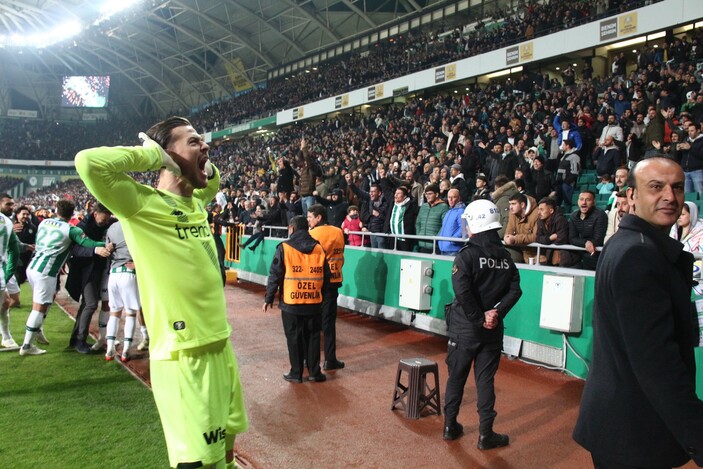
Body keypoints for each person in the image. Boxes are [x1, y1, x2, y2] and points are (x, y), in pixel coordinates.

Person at [75, 116, 248, 468]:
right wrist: (152, 157)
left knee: (227, 452)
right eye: (194, 141)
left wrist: (194, 160)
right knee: (198, 462)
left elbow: (211, 178)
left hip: (220, 345)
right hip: (184, 356)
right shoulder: (140, 204)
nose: (205, 147)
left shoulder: (197, 202)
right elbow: (88, 163)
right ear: (167, 153)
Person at [573, 157, 703, 468]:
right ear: (631, 196)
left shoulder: (627, 243)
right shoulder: (639, 254)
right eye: (656, 187)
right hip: (634, 431)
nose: (670, 197)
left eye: (677, 188)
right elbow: (658, 363)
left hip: (623, 424)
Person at [443, 199, 522, 448]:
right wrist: (495, 313)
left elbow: (463, 292)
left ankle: (450, 426)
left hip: (465, 328)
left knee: (456, 378)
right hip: (491, 331)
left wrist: (479, 317)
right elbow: (515, 290)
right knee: (485, 381)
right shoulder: (505, 257)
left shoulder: (466, 255)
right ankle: (486, 434)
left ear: (474, 223)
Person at [20, 199, 106, 356]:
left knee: (44, 303)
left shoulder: (44, 223)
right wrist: (103, 244)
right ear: (72, 213)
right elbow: (87, 242)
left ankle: (37, 330)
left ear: (56, 209)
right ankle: (27, 345)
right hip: (46, 272)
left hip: (32, 267)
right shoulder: (71, 229)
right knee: (38, 309)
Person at [263, 215, 331, 383]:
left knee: (294, 338)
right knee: (314, 337)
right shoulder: (318, 248)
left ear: (291, 229)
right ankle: (315, 372)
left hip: (291, 303)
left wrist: (269, 297)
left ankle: (296, 372)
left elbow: (275, 274)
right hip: (314, 302)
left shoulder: (284, 248)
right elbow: (327, 277)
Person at [65, 203, 114, 353]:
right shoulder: (82, 226)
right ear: (95, 214)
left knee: (87, 304)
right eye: (102, 221)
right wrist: (95, 250)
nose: (105, 224)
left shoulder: (111, 222)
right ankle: (80, 340)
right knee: (91, 304)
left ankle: (76, 339)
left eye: (107, 221)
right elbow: (75, 248)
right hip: (85, 270)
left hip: (99, 269)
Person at [307, 204, 346, 371]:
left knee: (312, 324)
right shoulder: (338, 231)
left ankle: (310, 361)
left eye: (310, 217)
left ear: (319, 217)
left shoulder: (312, 234)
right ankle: (330, 360)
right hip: (334, 281)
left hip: (317, 282)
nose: (308, 220)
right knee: (329, 324)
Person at [104, 220, 141, 362]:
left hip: (113, 273)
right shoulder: (135, 224)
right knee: (130, 313)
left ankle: (109, 350)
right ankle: (125, 351)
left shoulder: (112, 226)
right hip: (128, 272)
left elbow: (108, 248)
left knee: (114, 313)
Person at [561, 191, 607, 270]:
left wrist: (585, 243)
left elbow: (598, 239)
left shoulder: (600, 215)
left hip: (596, 258)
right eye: (581, 199)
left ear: (593, 202)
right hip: (579, 256)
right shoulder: (574, 216)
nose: (584, 203)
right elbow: (572, 238)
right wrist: (585, 242)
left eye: (588, 200)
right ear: (578, 202)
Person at [0, 205, 19, 348]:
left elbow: (14, 247)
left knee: (6, 302)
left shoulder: (6, 221)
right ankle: (6, 336)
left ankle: (6, 337)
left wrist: (8, 272)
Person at [534, 197, 569, 265]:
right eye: (538, 209)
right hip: (549, 254)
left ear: (551, 211)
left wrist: (545, 240)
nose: (538, 213)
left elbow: (562, 239)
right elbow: (538, 238)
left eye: (541, 210)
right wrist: (550, 238)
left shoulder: (560, 220)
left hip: (564, 256)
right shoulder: (540, 221)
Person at [415, 184, 448, 254]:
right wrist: (419, 235)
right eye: (426, 194)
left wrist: (436, 238)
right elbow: (418, 223)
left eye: (430, 194)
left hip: (435, 246)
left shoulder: (444, 207)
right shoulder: (424, 206)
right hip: (421, 245)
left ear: (436, 194)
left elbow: (444, 225)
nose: (427, 196)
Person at [437, 189, 467, 255]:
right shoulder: (449, 211)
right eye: (449, 197)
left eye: (453, 197)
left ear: (459, 198)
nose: (450, 199)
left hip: (453, 250)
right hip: (443, 248)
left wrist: (452, 240)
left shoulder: (462, 211)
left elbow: (464, 229)